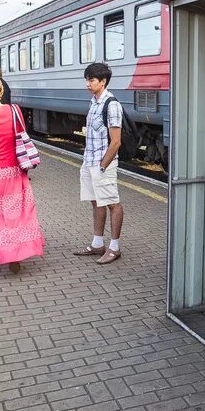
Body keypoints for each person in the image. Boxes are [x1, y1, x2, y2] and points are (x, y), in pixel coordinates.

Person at [0, 76, 45, 273]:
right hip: (13, 169)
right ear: (2, 91)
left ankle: (0, 251)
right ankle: (15, 252)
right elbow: (20, 131)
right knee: (16, 213)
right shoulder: (14, 110)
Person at [72, 62, 123, 265]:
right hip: (89, 161)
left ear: (103, 81)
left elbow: (116, 141)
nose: (87, 83)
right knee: (96, 202)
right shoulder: (94, 102)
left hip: (103, 164)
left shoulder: (111, 105)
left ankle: (115, 247)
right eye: (87, 79)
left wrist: (103, 165)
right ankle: (97, 244)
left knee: (112, 203)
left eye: (91, 80)